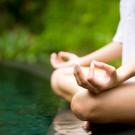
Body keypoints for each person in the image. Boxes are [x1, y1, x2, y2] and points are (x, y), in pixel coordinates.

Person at [50, 0, 135, 130]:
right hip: (130, 80)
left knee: (82, 104)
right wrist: (78, 62)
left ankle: (106, 110)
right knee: (59, 75)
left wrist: (121, 75)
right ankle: (111, 110)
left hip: (128, 77)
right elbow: (122, 42)